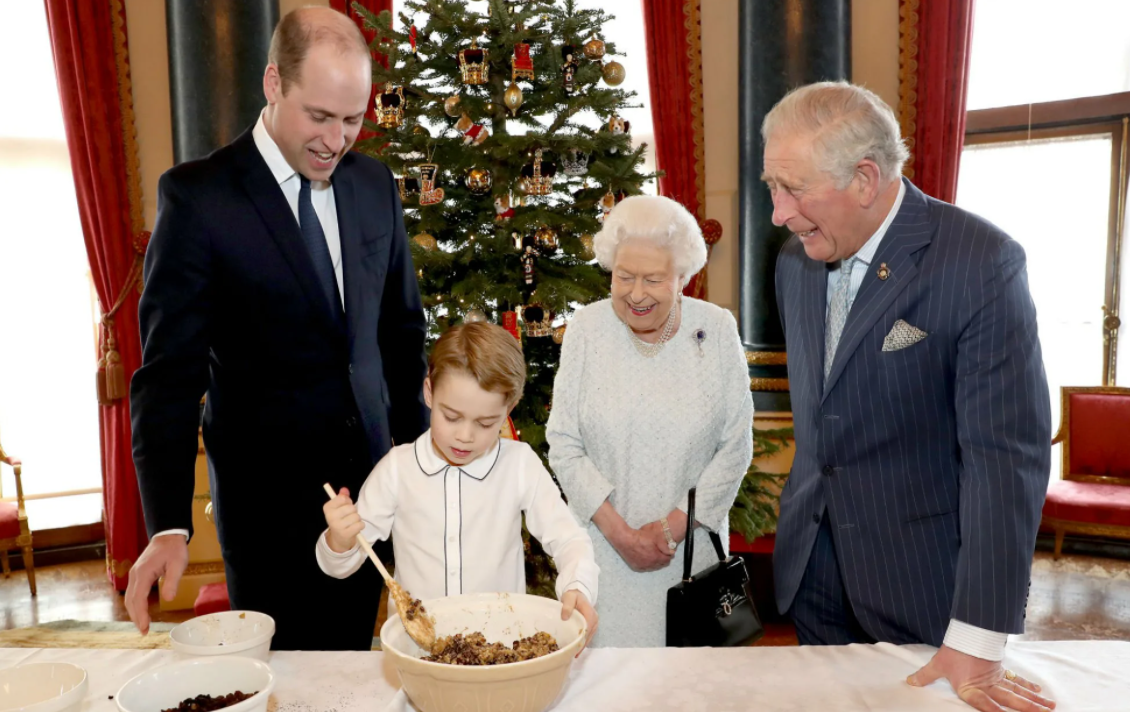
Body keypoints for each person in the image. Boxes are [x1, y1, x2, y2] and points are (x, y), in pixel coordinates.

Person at [126, 7, 428, 650]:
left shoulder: (374, 185)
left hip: (371, 496)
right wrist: (167, 524)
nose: (336, 139)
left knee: (350, 669)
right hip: (268, 516)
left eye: (352, 120)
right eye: (318, 116)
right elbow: (168, 376)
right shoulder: (199, 199)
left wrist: (422, 464)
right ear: (272, 84)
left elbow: (402, 334)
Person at [763, 81, 1055, 711]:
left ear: (865, 179)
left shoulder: (981, 262)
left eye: (792, 189)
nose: (778, 213)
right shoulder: (794, 261)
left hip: (923, 587)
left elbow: (1005, 459)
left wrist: (978, 633)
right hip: (811, 569)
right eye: (771, 188)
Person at [546, 195, 754, 647]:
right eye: (624, 277)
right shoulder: (586, 329)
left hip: (690, 560)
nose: (636, 294)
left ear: (683, 278)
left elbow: (735, 445)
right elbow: (562, 441)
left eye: (654, 279)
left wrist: (668, 530)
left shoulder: (716, 329)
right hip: (601, 555)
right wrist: (620, 534)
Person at [319, 323, 599, 647]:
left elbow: (569, 538)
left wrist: (577, 585)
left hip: (498, 650)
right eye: (451, 417)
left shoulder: (519, 464)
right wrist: (339, 540)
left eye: (484, 423)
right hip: (416, 653)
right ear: (429, 393)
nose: (465, 436)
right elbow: (340, 564)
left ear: (507, 410)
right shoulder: (398, 468)